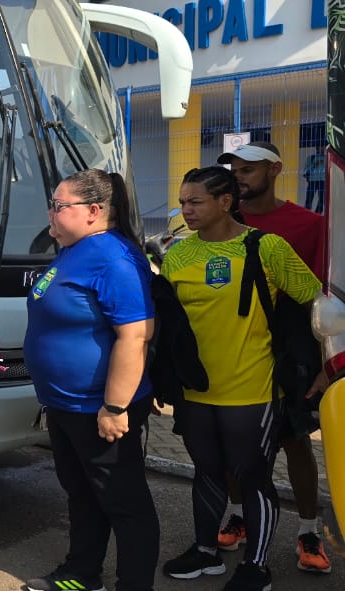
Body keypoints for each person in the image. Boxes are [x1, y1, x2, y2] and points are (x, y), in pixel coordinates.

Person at [160, 165, 322, 591]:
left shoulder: (266, 247)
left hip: (252, 391)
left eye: (195, 201)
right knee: (207, 472)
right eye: (182, 202)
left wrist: (326, 368)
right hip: (196, 392)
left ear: (225, 202)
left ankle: (257, 566)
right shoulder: (177, 254)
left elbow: (317, 304)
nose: (186, 210)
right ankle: (205, 552)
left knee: (253, 478)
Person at [21, 169, 159, 591]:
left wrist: (115, 408)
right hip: (66, 406)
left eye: (60, 206)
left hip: (100, 408)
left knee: (126, 504)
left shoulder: (113, 257)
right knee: (81, 494)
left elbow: (135, 335)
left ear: (94, 211)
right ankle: (82, 574)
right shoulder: (75, 248)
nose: (51, 213)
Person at [214, 142, 332, 574]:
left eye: (249, 169)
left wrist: (326, 364)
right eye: (235, 170)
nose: (240, 176)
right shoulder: (223, 222)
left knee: (295, 441)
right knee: (234, 444)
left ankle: (308, 531)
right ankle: (239, 516)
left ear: (276, 169)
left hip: (291, 348)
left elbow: (320, 300)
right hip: (236, 345)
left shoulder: (310, 224)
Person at [302, 143, 326, 215]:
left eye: (323, 147)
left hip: (322, 181)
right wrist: (314, 164)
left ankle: (317, 215)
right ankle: (306, 215)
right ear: (317, 148)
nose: (322, 149)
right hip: (312, 181)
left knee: (322, 200)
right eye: (321, 147)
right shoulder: (311, 158)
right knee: (308, 200)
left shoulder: (326, 157)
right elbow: (306, 171)